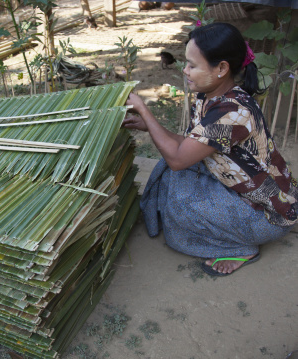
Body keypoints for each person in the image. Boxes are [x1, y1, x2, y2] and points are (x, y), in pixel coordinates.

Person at [122, 22, 297, 276]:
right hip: (246, 191)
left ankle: (243, 248)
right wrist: (150, 127)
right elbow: (189, 145)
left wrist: (145, 112)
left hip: (270, 215)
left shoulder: (232, 113)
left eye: (193, 65)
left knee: (179, 197)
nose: (185, 71)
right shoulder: (210, 97)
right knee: (169, 176)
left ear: (222, 69)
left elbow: (178, 159)